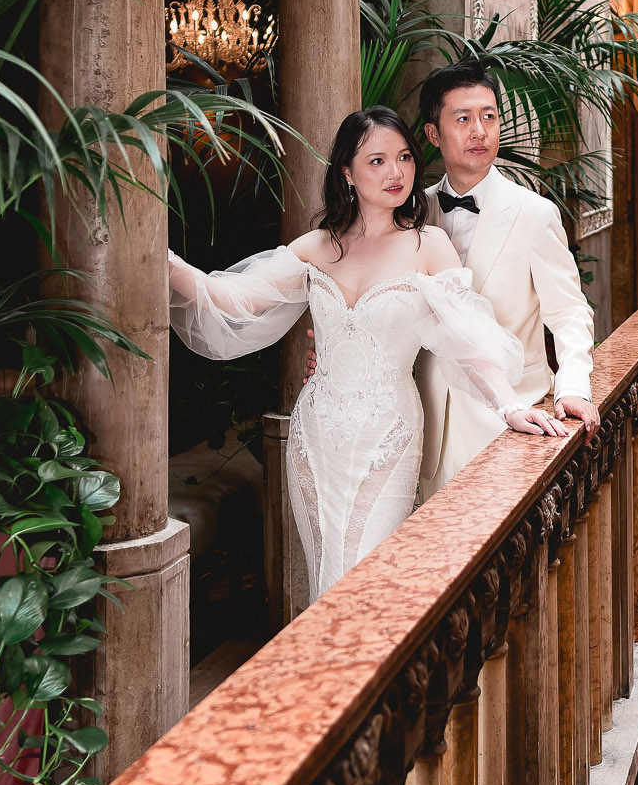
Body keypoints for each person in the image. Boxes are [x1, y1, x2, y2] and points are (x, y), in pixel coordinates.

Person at [167, 106, 567, 604]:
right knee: (325, 580)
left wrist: (510, 405)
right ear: (347, 174)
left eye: (403, 158)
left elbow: (470, 340)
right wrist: (161, 260)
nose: (395, 172)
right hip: (314, 439)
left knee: (365, 580)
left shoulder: (428, 244)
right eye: (376, 161)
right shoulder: (316, 245)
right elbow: (235, 300)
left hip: (388, 436)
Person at [416, 60, 598, 501]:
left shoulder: (535, 213)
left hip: (508, 424)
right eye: (463, 119)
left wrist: (572, 386)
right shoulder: (411, 213)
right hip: (422, 428)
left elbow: (570, 312)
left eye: (489, 116)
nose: (479, 130)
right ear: (433, 134)